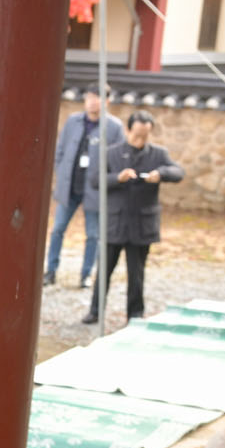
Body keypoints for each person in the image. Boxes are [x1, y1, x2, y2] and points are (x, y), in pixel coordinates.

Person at [85, 110, 184, 326]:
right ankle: (95, 311)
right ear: (128, 130)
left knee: (136, 273)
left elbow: (179, 172)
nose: (140, 140)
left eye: (145, 136)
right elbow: (94, 180)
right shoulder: (111, 153)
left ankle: (135, 314)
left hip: (142, 223)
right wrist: (117, 178)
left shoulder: (158, 154)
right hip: (115, 221)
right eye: (137, 135)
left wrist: (161, 174)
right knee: (104, 271)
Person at [46, 86, 125, 289]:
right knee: (58, 229)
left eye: (97, 98)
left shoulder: (114, 127)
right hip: (70, 185)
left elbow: (118, 159)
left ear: (106, 101)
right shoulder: (73, 121)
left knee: (93, 235)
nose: (92, 102)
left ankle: (86, 274)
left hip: (95, 189)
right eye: (89, 97)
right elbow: (60, 150)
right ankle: (51, 270)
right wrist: (61, 171)